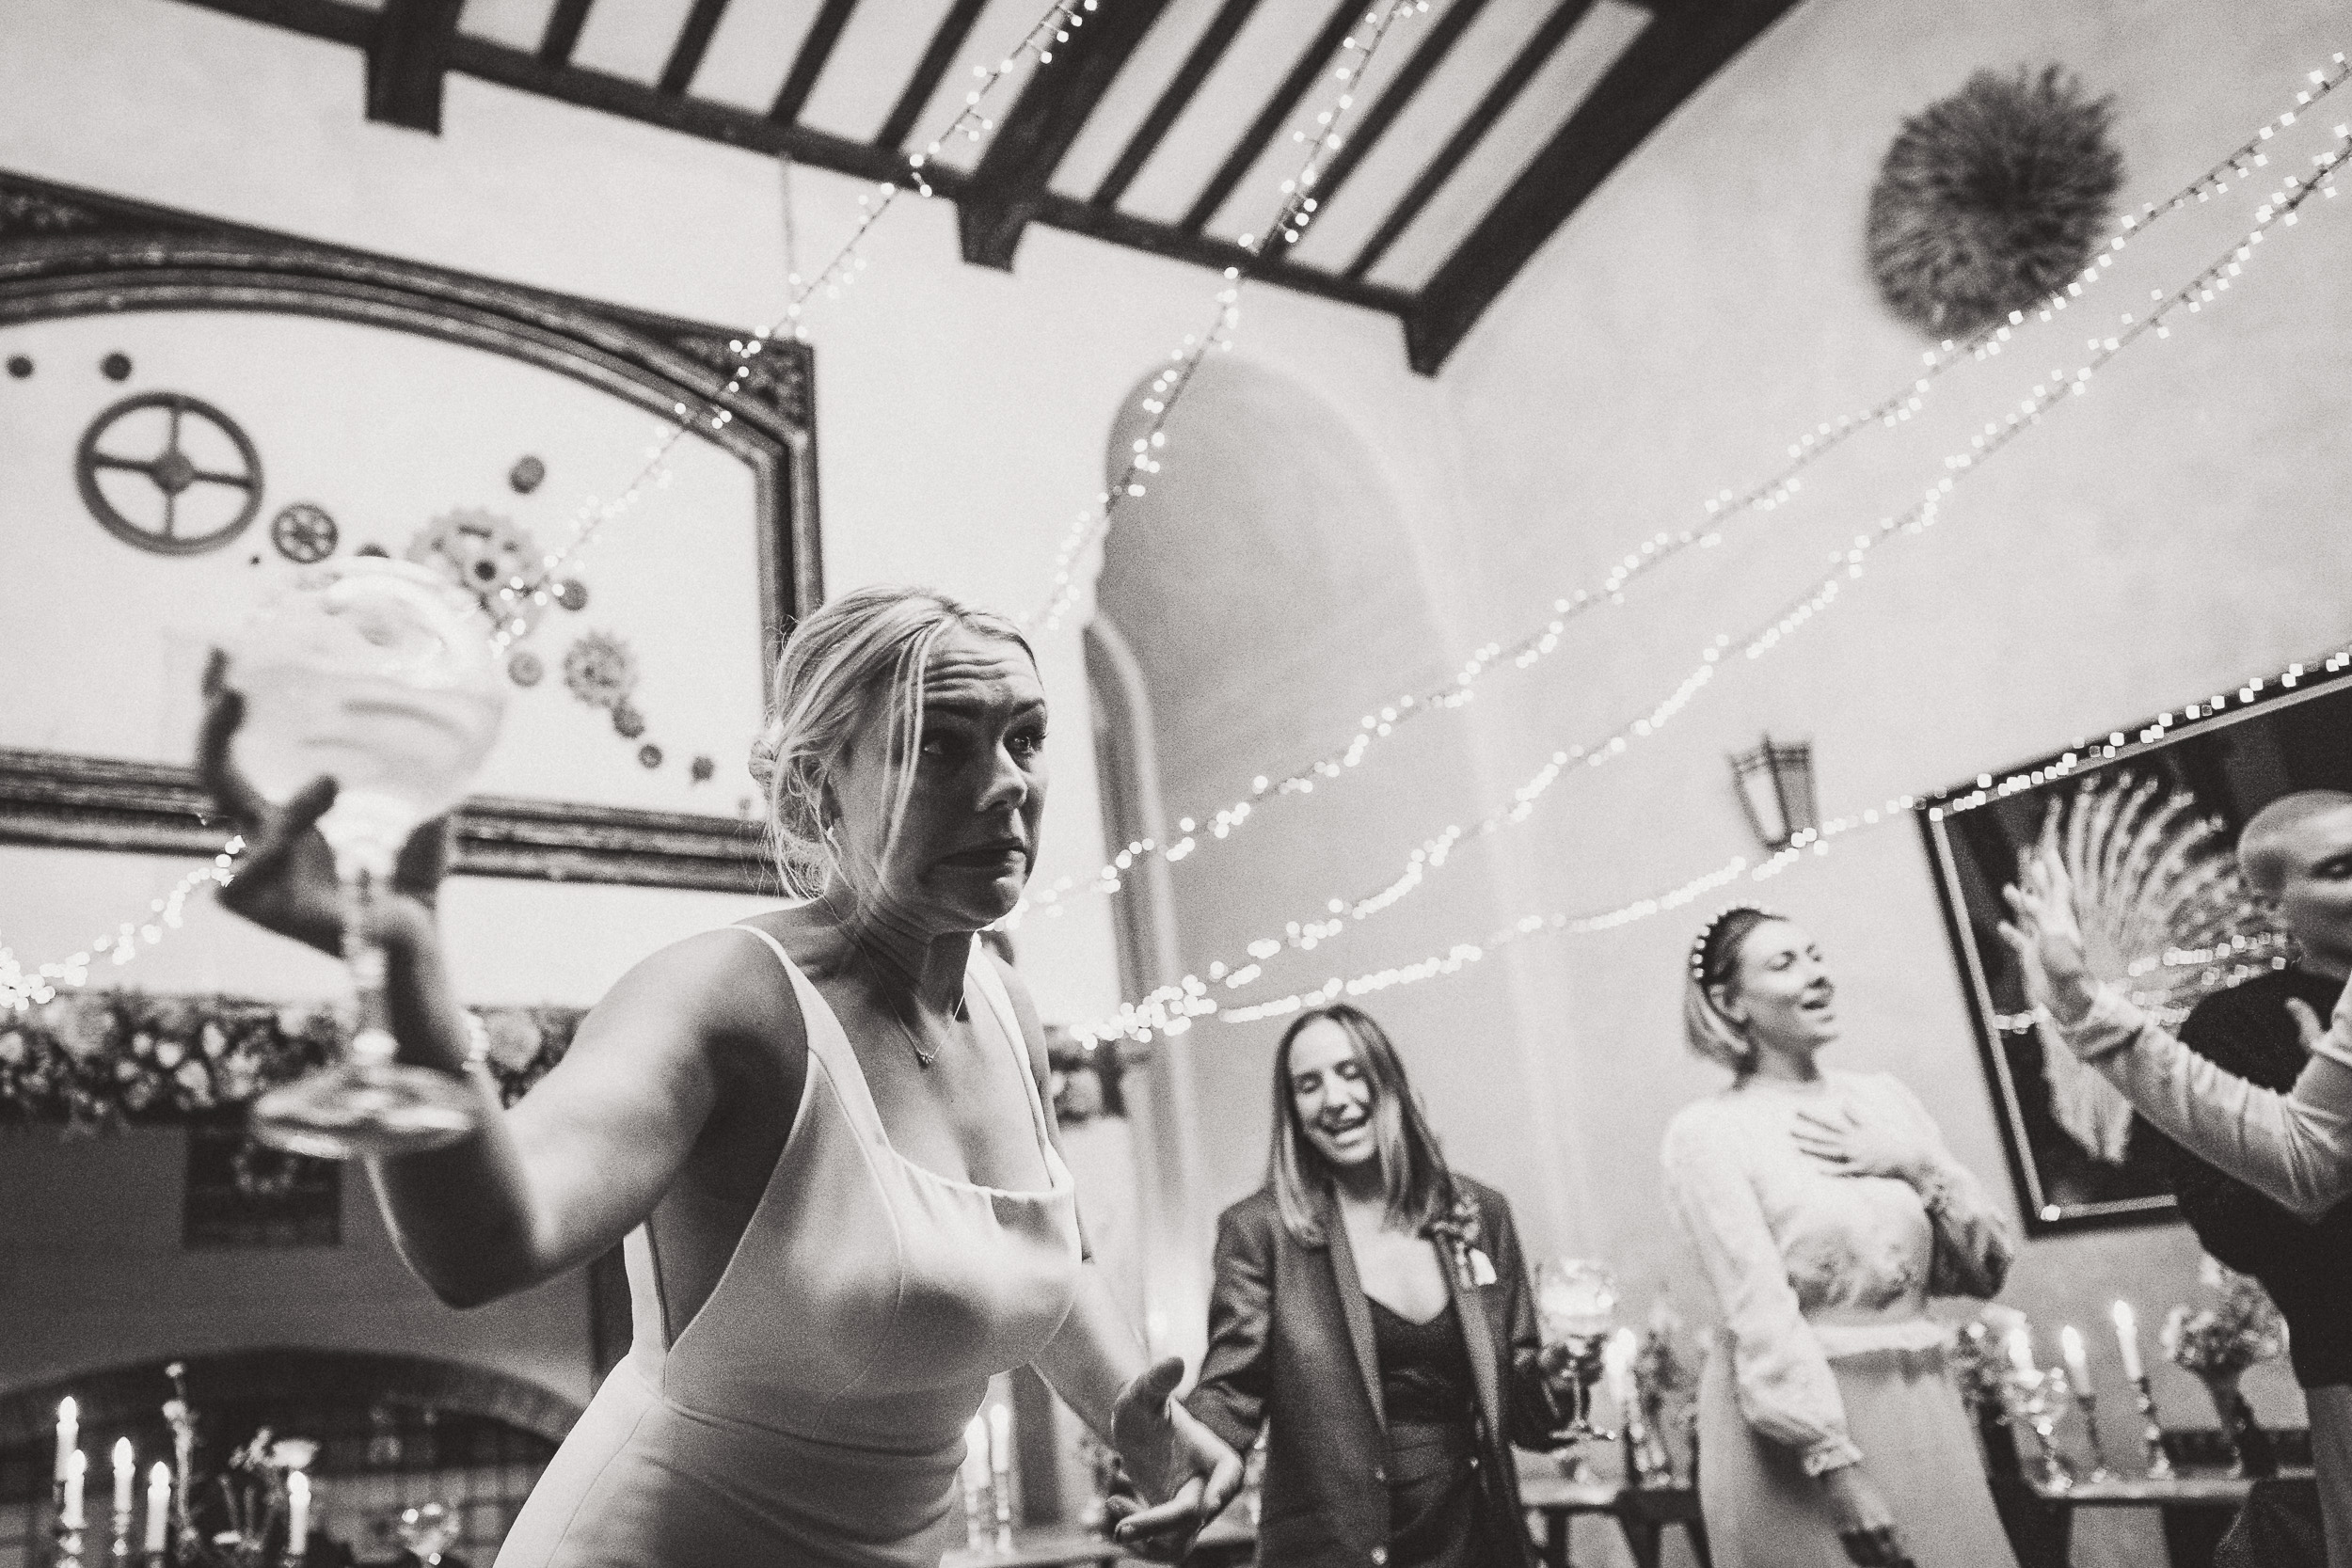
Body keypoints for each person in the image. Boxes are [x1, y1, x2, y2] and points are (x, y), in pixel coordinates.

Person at [199, 584, 1241, 1567]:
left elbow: (1044, 1255)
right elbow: (481, 1243)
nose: (1008, 780)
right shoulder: (724, 998)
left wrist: (1140, 1425)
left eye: (1025, 737)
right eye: (938, 746)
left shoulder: (1007, 1005)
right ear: (814, 788)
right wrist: (400, 964)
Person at [2004, 793, 2352, 1568]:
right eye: (2340, 870)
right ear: (2273, 902)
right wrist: (2080, 1004)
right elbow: (2280, 1188)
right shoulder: (2243, 1025)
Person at [1661, 908, 2020, 1568]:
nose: (1817, 975)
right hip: (1803, 1438)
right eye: (1784, 963)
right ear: (1728, 1001)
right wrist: (1835, 1465)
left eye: (1815, 954)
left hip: (1924, 1406)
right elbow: (1758, 1307)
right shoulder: (1709, 1132)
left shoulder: (1885, 1100)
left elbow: (1985, 1270)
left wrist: (1917, 1162)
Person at [1187, 1004, 1566, 1568]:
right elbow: (1231, 1391)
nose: (1335, 1099)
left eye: (1350, 1071)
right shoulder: (1259, 1231)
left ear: (1387, 1079)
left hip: (1476, 1537)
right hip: (1334, 1547)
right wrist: (1171, 1471)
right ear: (1293, 1111)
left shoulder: (1480, 1214)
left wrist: (1564, 1374)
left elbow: (1528, 1418)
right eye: (1308, 1085)